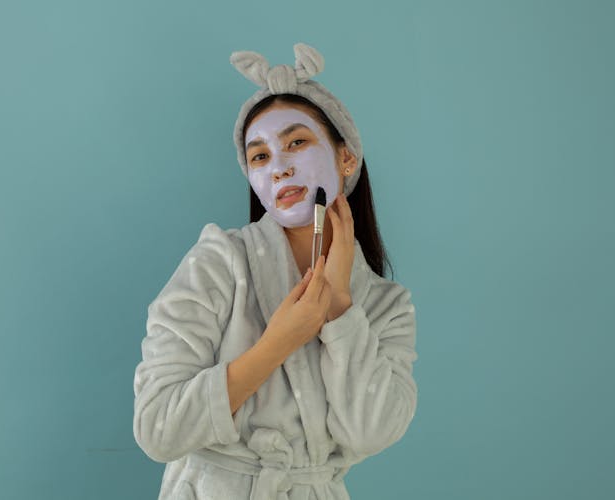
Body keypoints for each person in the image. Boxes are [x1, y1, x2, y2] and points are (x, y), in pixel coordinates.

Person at [133, 42, 419, 500]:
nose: (280, 168)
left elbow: (372, 432)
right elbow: (157, 428)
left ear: (346, 158)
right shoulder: (218, 262)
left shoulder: (386, 304)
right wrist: (280, 340)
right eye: (260, 156)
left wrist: (341, 308)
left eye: (296, 142)